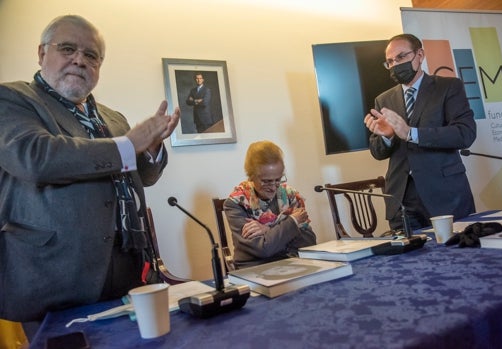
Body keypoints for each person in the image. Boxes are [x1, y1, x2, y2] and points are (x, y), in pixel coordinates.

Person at [0, 15, 180, 327]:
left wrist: (150, 149)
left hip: (127, 274)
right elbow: (35, 157)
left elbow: (144, 177)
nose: (79, 60)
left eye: (91, 55)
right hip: (53, 279)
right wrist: (129, 144)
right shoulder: (14, 99)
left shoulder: (112, 118)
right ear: (42, 53)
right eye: (68, 49)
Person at [363, 33, 476, 231]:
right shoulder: (383, 100)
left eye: (401, 57)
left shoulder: (448, 87)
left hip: (445, 194)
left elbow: (464, 133)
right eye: (389, 61)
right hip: (402, 199)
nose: (395, 65)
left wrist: (411, 133)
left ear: (420, 55)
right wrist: (387, 137)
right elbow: (377, 152)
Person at [224, 141, 316, 268]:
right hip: (255, 267)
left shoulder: (290, 195)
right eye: (266, 181)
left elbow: (309, 241)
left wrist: (268, 230)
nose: (273, 187)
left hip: (291, 261)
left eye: (278, 180)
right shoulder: (236, 204)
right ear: (251, 177)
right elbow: (263, 249)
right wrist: (292, 222)